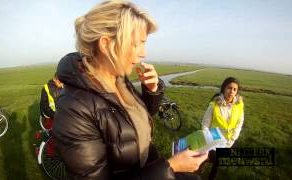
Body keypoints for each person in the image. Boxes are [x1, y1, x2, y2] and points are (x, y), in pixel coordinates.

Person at [52, 1, 208, 179]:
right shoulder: (74, 111)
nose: (143, 53)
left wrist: (152, 91)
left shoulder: (118, 78)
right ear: (106, 44)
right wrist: (170, 167)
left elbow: (132, 121)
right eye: (137, 44)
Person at [201, 77, 244, 179]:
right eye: (229, 88)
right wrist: (207, 140)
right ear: (224, 88)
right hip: (212, 141)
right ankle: (199, 170)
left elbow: (239, 122)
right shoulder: (214, 105)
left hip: (227, 142)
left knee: (217, 165)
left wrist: (233, 139)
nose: (231, 92)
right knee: (204, 159)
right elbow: (205, 124)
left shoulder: (239, 105)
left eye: (235, 89)